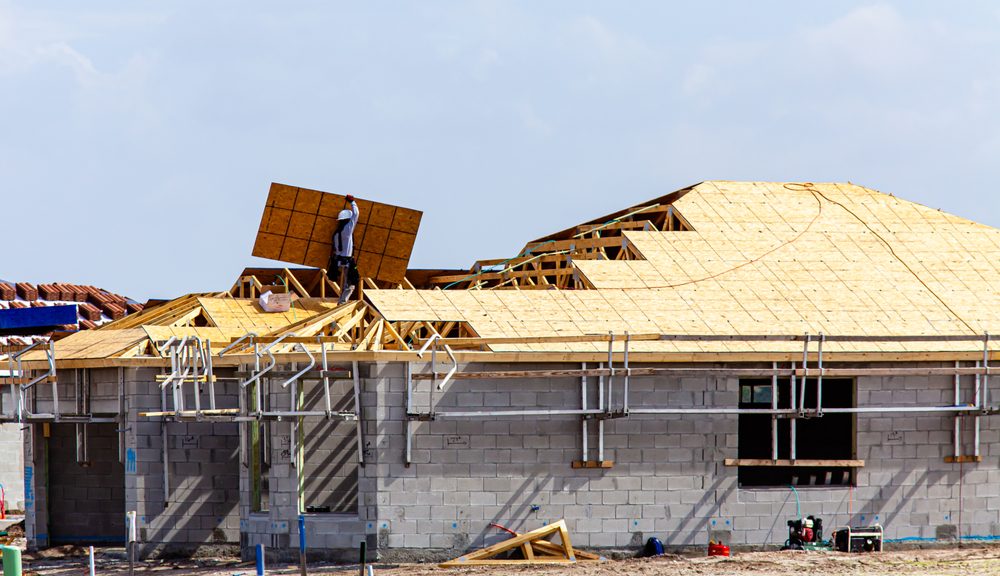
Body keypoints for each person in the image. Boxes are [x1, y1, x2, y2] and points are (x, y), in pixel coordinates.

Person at [329, 194, 360, 304]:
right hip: (347, 262)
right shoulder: (347, 230)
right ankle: (342, 303)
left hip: (337, 261)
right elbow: (356, 214)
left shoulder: (336, 233)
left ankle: (341, 301)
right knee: (350, 285)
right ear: (347, 220)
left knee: (345, 283)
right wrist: (352, 202)